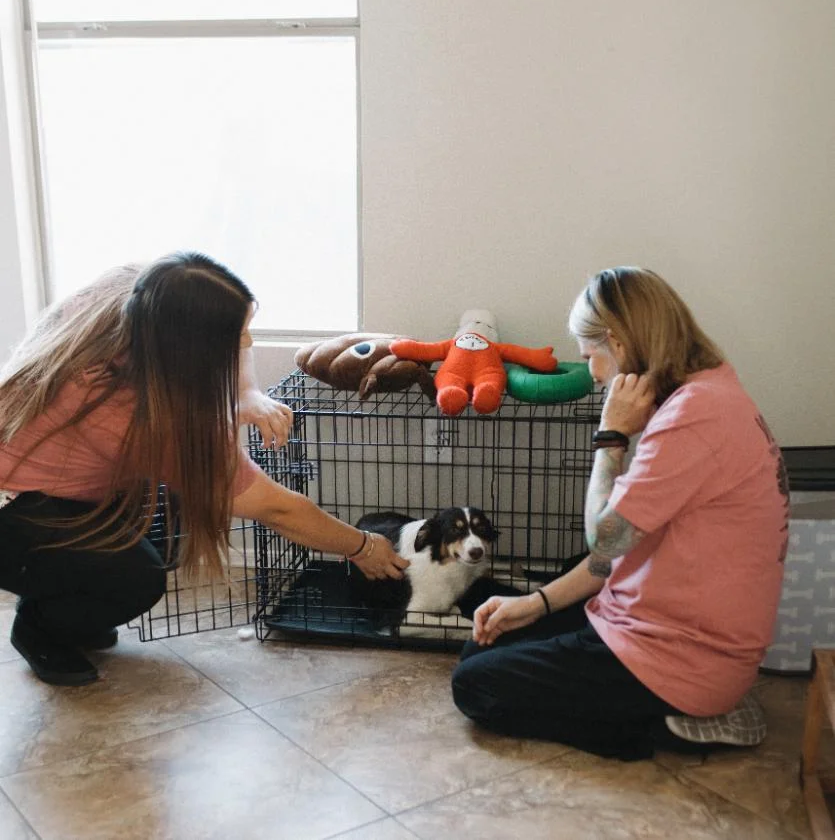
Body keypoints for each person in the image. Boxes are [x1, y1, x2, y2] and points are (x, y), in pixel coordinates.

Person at [0, 252, 409, 686]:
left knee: (166, 526)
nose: (244, 342)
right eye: (234, 340)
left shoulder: (145, 291)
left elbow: (236, 331)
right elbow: (276, 508)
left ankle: (69, 598)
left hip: (56, 484)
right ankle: (40, 625)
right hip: (14, 509)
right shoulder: (132, 412)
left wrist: (247, 393)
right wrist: (362, 546)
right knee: (137, 577)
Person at [451, 266, 789, 760]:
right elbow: (618, 552)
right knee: (482, 648)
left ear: (619, 342)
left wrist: (611, 437)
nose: (592, 373)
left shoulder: (693, 418)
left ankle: (656, 728)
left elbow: (604, 540)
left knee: (475, 685)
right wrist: (534, 604)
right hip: (652, 619)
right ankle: (640, 709)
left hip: (682, 661)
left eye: (591, 356)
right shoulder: (709, 387)